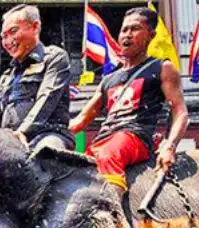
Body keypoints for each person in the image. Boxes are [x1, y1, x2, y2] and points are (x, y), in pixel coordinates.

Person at [69, 7, 189, 199]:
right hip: (104, 139)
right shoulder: (109, 78)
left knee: (109, 155)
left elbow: (180, 112)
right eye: (124, 30)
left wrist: (169, 146)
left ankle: (114, 222)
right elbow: (81, 119)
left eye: (135, 29)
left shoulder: (162, 68)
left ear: (151, 35)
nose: (127, 35)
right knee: (76, 169)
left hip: (135, 137)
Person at [0, 4, 73, 151]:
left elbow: (47, 98)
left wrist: (23, 131)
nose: (8, 41)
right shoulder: (7, 76)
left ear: (35, 27)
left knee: (45, 154)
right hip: (9, 142)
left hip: (48, 135)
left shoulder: (54, 57)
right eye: (4, 37)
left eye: (13, 31)